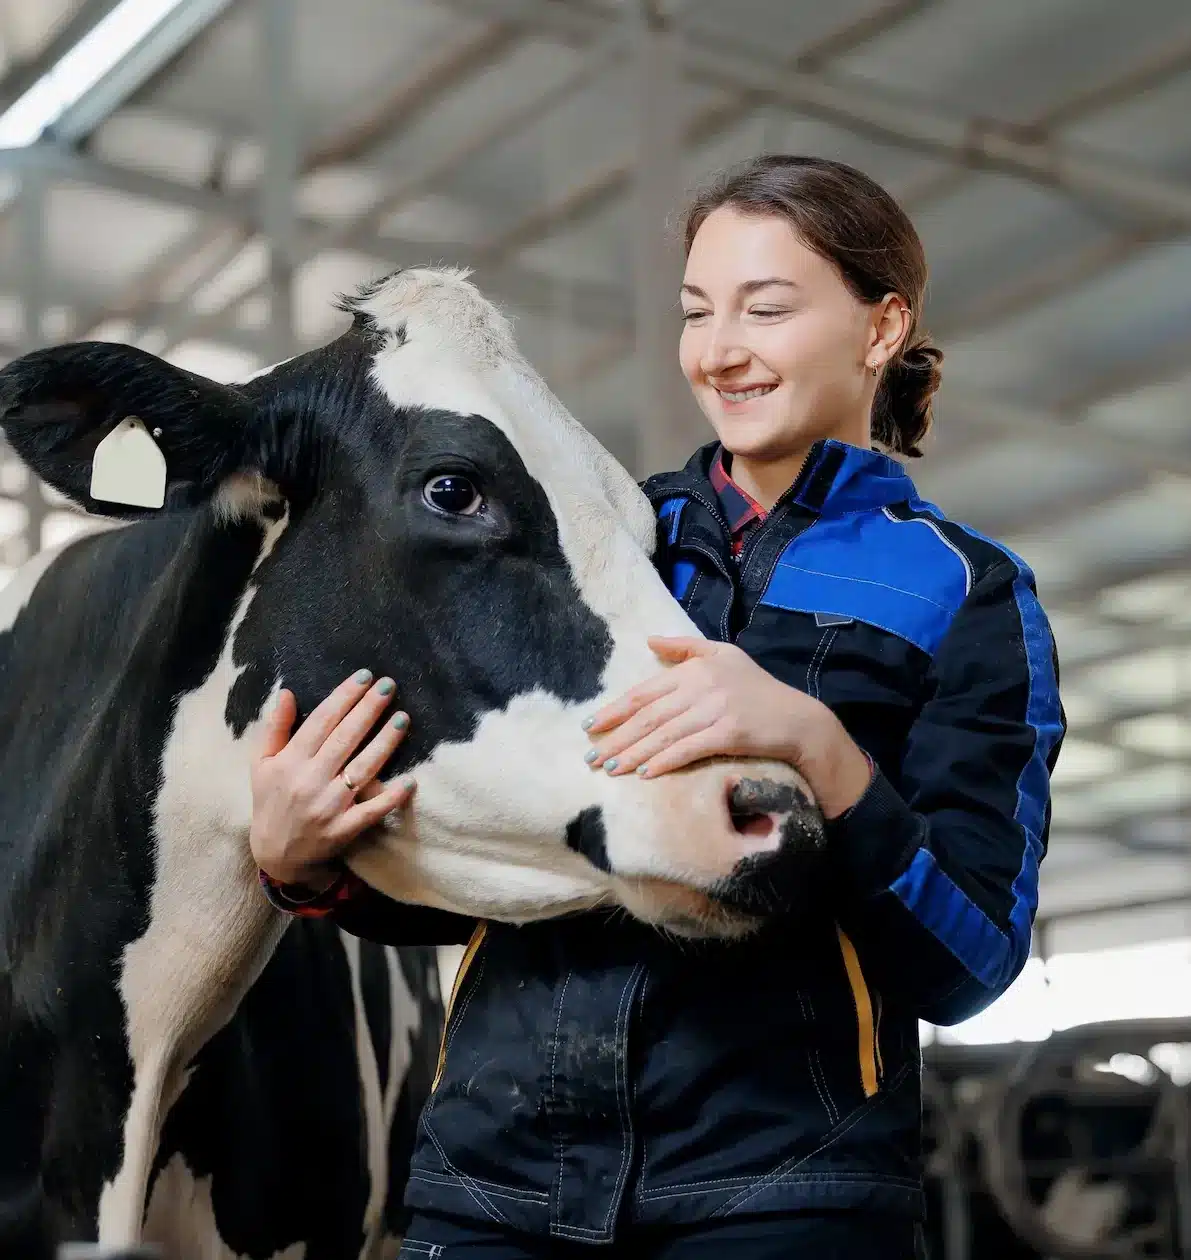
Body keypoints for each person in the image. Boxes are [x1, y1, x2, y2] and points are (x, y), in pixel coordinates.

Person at [249, 154, 1065, 1258]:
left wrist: (819, 748)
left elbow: (968, 964)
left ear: (881, 329)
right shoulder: (583, 538)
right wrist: (313, 869)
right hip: (492, 1190)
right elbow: (488, 880)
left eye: (765, 309)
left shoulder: (964, 592)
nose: (719, 351)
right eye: (696, 312)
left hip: (781, 1202)